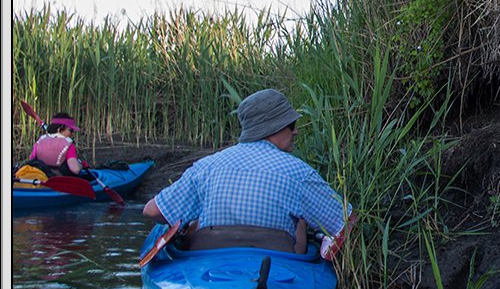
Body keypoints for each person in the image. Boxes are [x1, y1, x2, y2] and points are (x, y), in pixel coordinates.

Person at [143, 88, 352, 258]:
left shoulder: (207, 166)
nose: (296, 131)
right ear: (274, 126)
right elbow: (347, 221)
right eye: (292, 125)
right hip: (278, 270)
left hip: (210, 267)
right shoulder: (298, 172)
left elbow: (152, 211)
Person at [27, 112, 83, 176]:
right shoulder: (68, 144)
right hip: (59, 181)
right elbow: (75, 169)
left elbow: (31, 161)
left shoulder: (40, 140)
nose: (72, 134)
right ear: (59, 129)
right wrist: (80, 165)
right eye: (71, 130)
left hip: (40, 179)